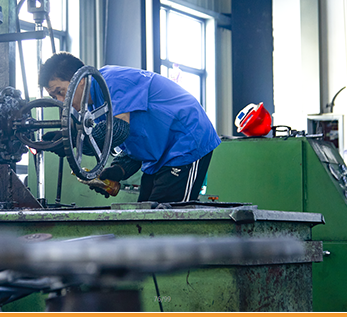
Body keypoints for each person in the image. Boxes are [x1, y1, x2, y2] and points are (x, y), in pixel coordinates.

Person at [38, 52, 221, 204]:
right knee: (144, 214)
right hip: (159, 154)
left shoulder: (112, 80)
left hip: (187, 138)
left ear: (81, 80)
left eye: (60, 92)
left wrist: (72, 142)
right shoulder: (94, 107)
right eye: (54, 97)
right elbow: (132, 141)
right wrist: (118, 170)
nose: (61, 102)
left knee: (165, 217)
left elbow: (118, 131)